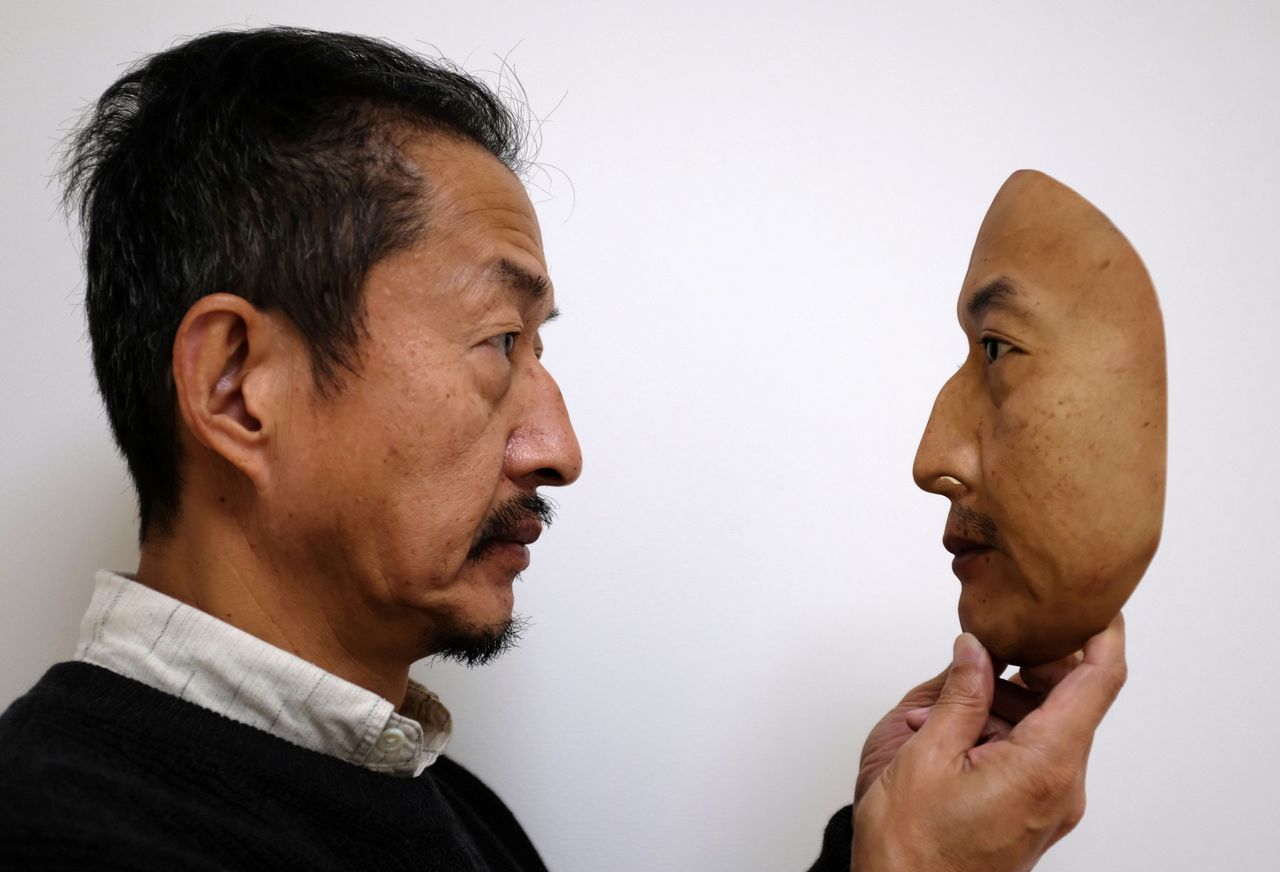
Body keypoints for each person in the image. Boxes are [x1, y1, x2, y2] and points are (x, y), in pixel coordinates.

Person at [0, 27, 1127, 871]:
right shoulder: (62, 829)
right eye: (498, 341)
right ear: (238, 385)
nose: (559, 446)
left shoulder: (446, 808)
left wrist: (879, 842)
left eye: (539, 348)